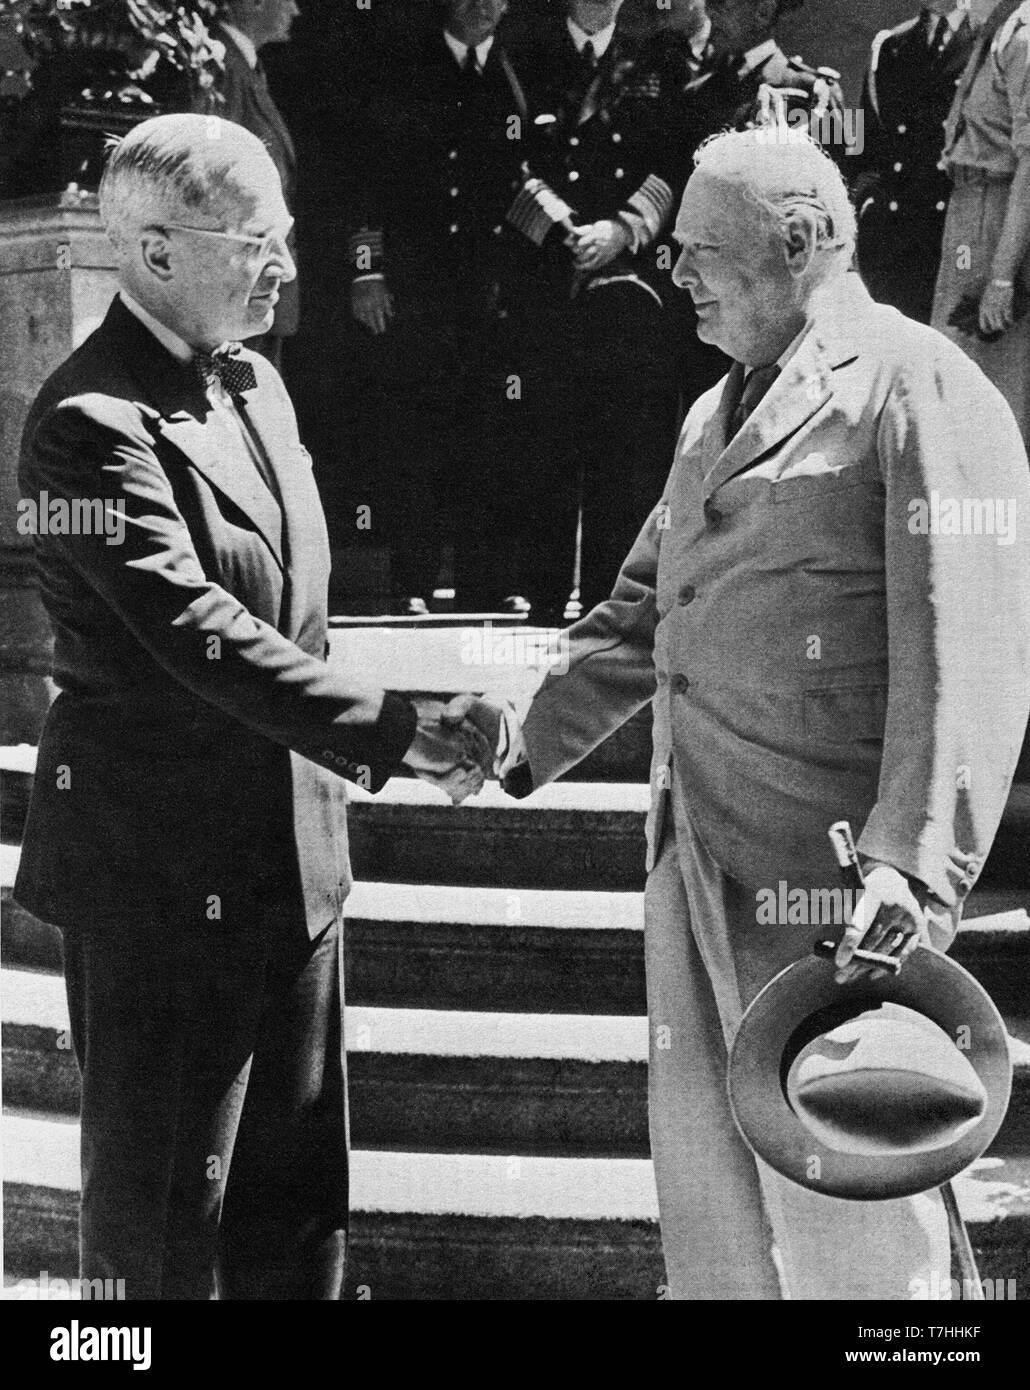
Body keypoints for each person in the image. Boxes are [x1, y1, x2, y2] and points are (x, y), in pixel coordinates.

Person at [448, 128, 1030, 1298]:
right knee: (714, 1220)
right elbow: (638, 617)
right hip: (693, 860)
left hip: (831, 885)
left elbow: (968, 642)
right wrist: (515, 732)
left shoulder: (916, 380)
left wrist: (913, 866)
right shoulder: (711, 409)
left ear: (804, 242)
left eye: (702, 252)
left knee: (858, 1223)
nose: (678, 277)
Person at [13, 113, 491, 1300]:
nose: (286, 263)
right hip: (160, 874)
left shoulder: (258, 385)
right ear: (159, 253)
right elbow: (196, 634)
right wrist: (395, 724)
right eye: (258, 240)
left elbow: (293, 618)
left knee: (295, 1210)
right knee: (162, 1217)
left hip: (294, 860)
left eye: (288, 235)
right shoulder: (85, 426)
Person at [347, 0, 530, 616]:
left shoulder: (513, 75)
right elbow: (365, 184)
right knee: (415, 433)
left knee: (490, 432)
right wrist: (367, 275)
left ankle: (485, 580)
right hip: (417, 289)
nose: (486, 7)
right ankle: (414, 581)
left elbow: (526, 180)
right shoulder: (405, 71)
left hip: (488, 290)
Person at [504, 0, 682, 622]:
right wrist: (566, 231)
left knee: (621, 437)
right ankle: (546, 591)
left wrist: (622, 230)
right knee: (546, 433)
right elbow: (508, 157)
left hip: (628, 280)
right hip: (548, 274)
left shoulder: (657, 59)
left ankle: (609, 591)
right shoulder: (524, 52)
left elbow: (671, 161)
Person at [931, 0, 1030, 444]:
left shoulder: (1022, 40)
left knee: (987, 375)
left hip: (995, 211)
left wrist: (1003, 276)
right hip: (969, 208)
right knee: (953, 367)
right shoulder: (995, 33)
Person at [853, 4, 975, 324]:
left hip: (957, 242)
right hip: (892, 241)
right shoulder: (891, 44)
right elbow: (866, 144)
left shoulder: (984, 39)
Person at [196, 0, 302, 368]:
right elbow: (208, 175)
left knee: (254, 409)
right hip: (241, 290)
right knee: (237, 410)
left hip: (259, 287)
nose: (295, 10)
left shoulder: (245, 68)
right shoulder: (216, 64)